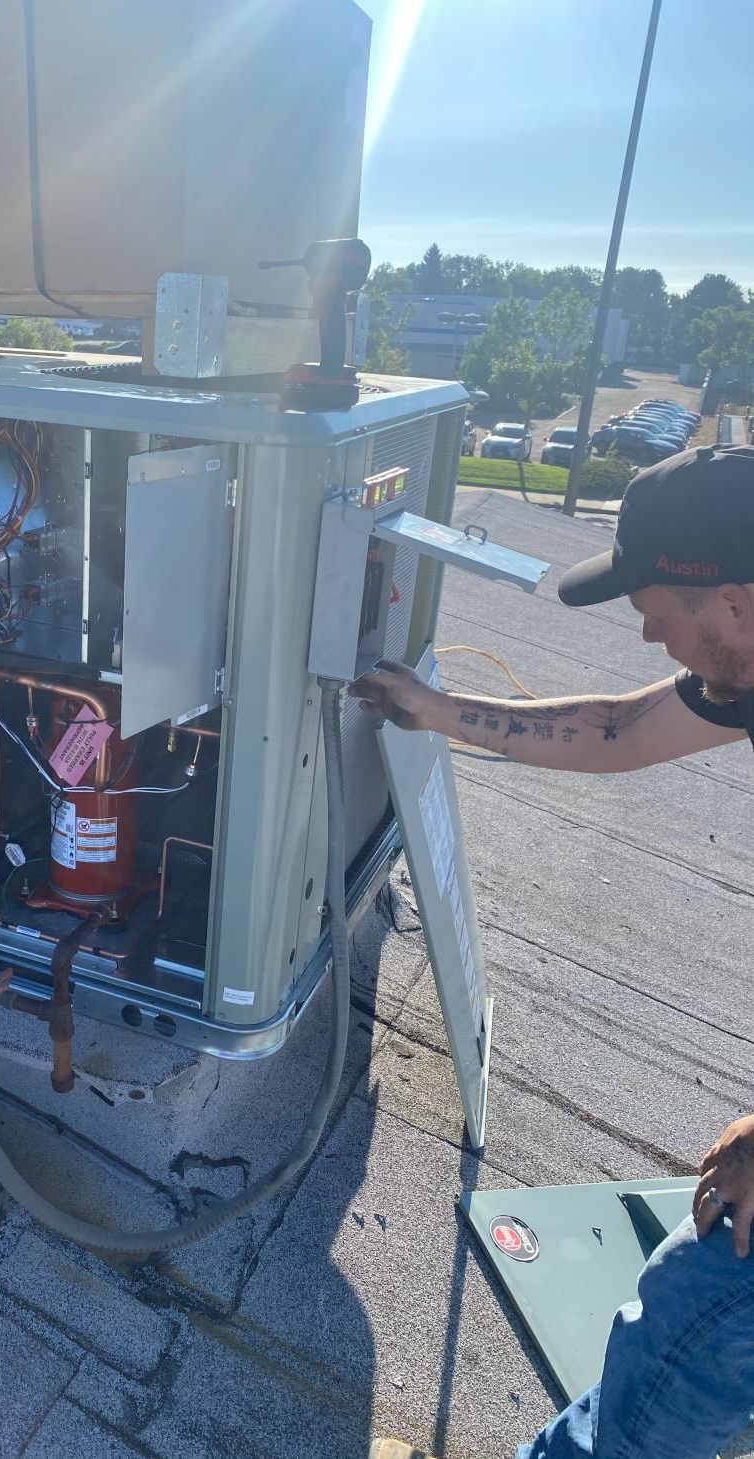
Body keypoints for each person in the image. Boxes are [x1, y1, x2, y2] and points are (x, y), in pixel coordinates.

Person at [355, 444, 754, 1459]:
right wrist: (437, 712)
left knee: (682, 1337)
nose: (645, 627)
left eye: (657, 603)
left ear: (737, 599)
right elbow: (619, 728)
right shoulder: (744, 671)